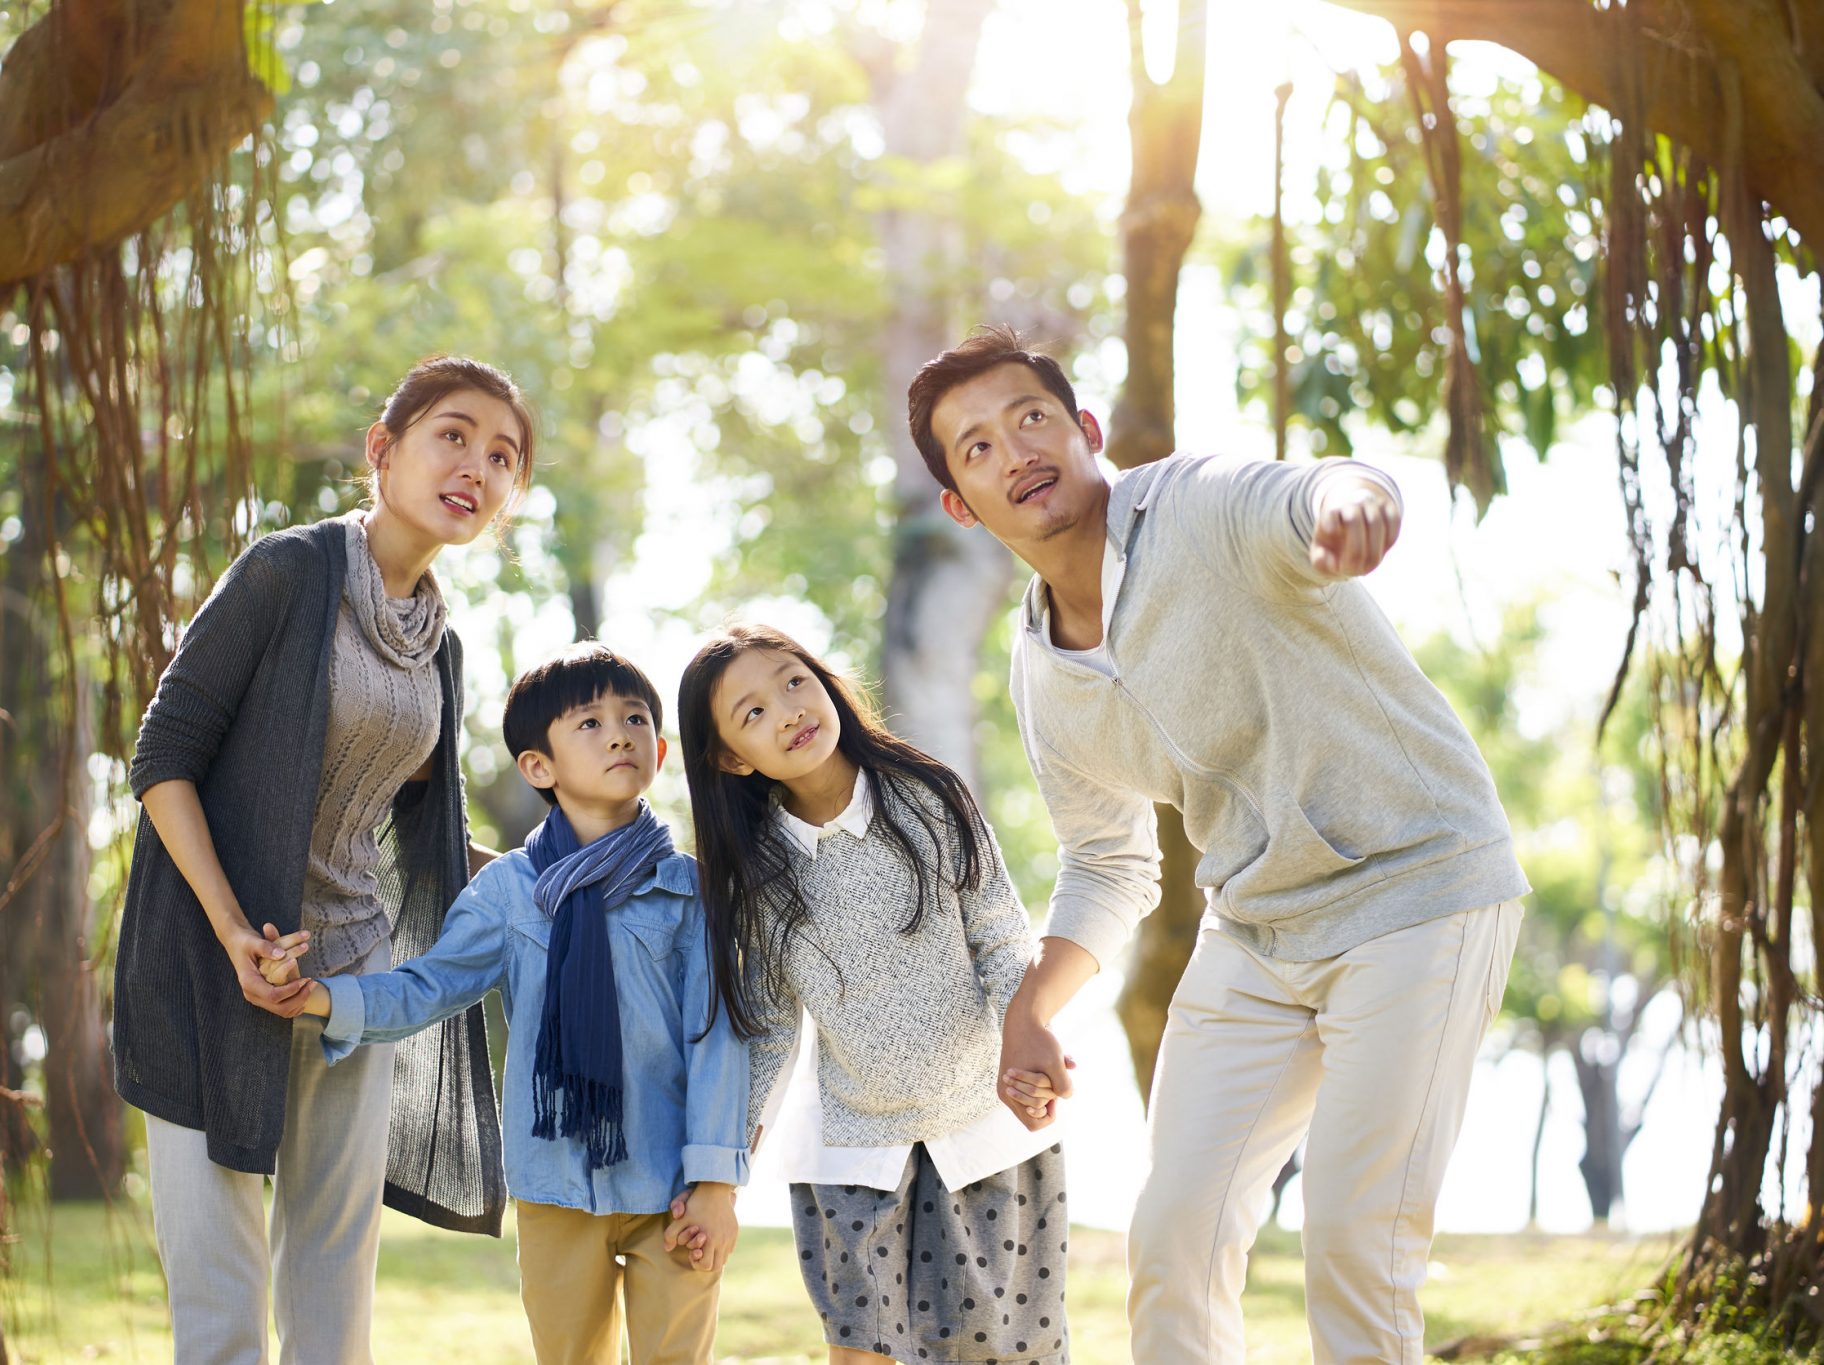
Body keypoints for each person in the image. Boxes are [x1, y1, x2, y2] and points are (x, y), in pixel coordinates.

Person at [905, 326, 1527, 1365]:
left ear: (1083, 430)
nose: (1013, 447)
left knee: (1352, 1239)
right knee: (1174, 1237)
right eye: (974, 446)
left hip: (1417, 890)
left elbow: (1309, 490)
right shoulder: (1042, 675)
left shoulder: (1192, 503)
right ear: (961, 506)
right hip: (1257, 930)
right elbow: (1107, 860)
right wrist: (1029, 1010)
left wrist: (1352, 502)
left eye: (1030, 417)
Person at [113, 355, 529, 1364]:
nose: (477, 463)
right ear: (382, 453)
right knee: (220, 1293)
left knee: (333, 1289)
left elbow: (417, 837)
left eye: (503, 456)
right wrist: (229, 932)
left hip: (350, 981)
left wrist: (559, 870)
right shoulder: (286, 572)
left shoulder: (442, 645)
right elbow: (163, 756)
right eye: (453, 434)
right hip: (211, 962)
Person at [270, 644, 751, 1365]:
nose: (618, 732)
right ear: (538, 766)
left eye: (633, 718)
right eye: (588, 722)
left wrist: (715, 1185)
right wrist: (323, 996)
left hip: (671, 1185)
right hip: (554, 1181)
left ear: (657, 746)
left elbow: (719, 1038)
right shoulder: (507, 892)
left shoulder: (691, 890)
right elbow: (430, 985)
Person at [676, 624, 1070, 1365]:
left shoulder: (929, 798)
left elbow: (1003, 940)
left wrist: (1033, 1037)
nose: (788, 710)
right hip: (853, 1156)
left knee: (1008, 1353)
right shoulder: (757, 872)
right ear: (731, 756)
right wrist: (720, 1175)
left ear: (825, 681)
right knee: (863, 1355)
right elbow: (765, 1031)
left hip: (982, 1133)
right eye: (752, 712)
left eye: (794, 681)